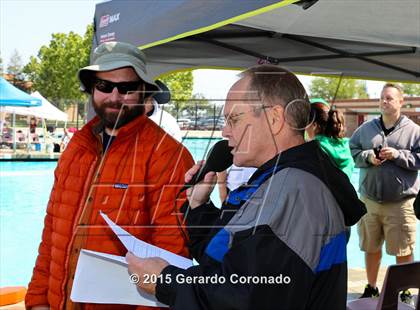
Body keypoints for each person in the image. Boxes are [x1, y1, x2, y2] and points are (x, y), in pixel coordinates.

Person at [126, 65, 366, 309]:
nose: (224, 131)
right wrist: (199, 205)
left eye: (234, 119)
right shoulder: (278, 180)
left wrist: (165, 281)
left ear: (274, 119)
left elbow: (246, 297)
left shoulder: (294, 190)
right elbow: (226, 257)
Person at [25, 41, 194, 310]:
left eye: (126, 88)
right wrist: (37, 301)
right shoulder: (76, 148)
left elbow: (171, 256)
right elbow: (51, 235)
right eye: (104, 86)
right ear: (92, 88)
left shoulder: (169, 156)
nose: (114, 96)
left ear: (143, 92)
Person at [349, 83, 419, 303]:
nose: (384, 102)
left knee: (403, 249)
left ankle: (405, 291)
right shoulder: (365, 129)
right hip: (369, 201)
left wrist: (398, 155)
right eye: (382, 98)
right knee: (370, 247)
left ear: (401, 101)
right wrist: (369, 156)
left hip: (400, 202)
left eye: (389, 98)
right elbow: (353, 151)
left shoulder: (414, 131)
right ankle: (371, 287)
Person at [306, 98, 354, 180]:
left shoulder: (314, 149)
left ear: (314, 125)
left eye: (306, 123)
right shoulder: (345, 145)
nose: (305, 128)